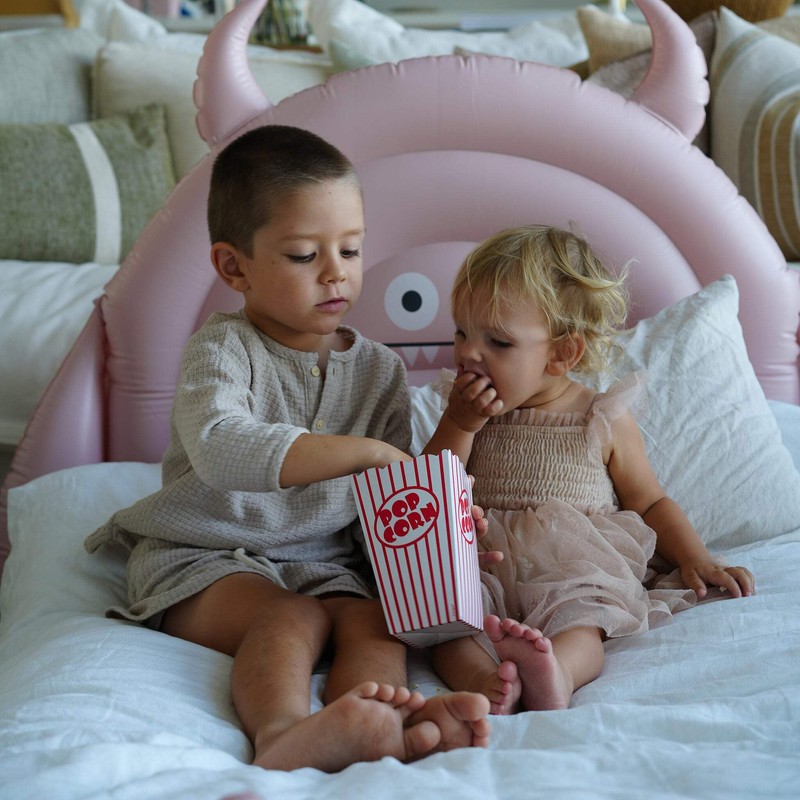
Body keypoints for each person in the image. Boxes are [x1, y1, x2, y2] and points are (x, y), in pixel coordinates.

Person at [85, 124, 491, 772]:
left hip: (325, 563)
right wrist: (364, 453)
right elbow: (220, 447)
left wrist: (438, 535)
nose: (336, 273)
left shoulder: (380, 371)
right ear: (233, 266)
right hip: (206, 555)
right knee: (292, 617)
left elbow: (383, 510)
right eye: (304, 255)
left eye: (351, 249)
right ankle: (280, 733)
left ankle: (373, 720)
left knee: (375, 624)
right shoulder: (222, 350)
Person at [424, 224, 756, 715]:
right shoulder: (466, 414)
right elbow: (431, 486)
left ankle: (558, 671)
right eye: (461, 332)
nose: (469, 352)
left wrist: (695, 557)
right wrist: (459, 424)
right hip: (483, 561)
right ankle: (485, 681)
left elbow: (649, 501)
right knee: (445, 622)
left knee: (584, 619)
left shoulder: (600, 416)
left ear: (562, 354)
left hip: (571, 565)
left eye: (498, 341)